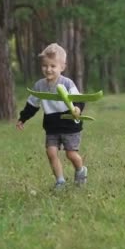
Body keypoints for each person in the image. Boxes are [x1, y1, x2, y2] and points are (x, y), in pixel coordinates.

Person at [16, 43, 88, 189]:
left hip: (70, 124)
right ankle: (60, 181)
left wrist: (77, 110)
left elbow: (79, 100)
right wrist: (23, 118)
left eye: (53, 66)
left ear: (62, 67)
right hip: (52, 125)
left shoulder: (67, 83)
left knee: (70, 154)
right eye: (45, 66)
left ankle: (81, 170)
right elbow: (32, 105)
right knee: (51, 152)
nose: (48, 69)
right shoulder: (40, 86)